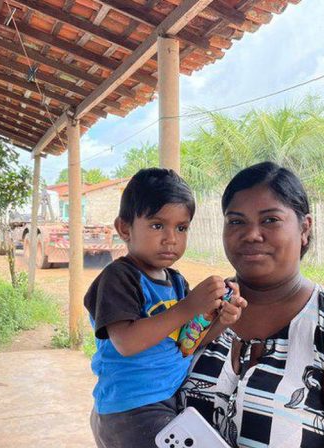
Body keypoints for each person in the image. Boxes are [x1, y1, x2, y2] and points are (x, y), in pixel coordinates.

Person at [180, 162, 324, 448]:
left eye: (270, 220)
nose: (252, 234)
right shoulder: (202, 306)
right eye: (236, 221)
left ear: (305, 228)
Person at [84, 168, 247, 448]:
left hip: (163, 400)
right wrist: (188, 306)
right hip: (131, 408)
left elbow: (187, 343)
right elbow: (126, 342)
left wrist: (222, 319)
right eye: (158, 225)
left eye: (181, 228)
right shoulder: (119, 278)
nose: (171, 238)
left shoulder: (176, 282)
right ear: (125, 228)